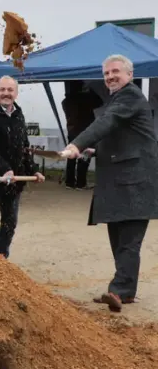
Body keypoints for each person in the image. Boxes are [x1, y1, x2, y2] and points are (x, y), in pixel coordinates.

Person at [61, 54, 158, 312]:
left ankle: (120, 290)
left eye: (115, 71)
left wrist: (77, 144)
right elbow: (120, 135)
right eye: (106, 74)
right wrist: (94, 150)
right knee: (118, 237)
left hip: (136, 182)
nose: (110, 77)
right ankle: (124, 290)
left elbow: (107, 122)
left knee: (128, 241)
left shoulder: (130, 96)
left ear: (129, 74)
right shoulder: (119, 98)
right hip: (122, 181)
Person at [0, 75, 45, 258]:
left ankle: (0, 259)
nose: (6, 93)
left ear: (16, 92)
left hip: (13, 182)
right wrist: (4, 168)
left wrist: (33, 169)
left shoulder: (18, 114)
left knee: (9, 223)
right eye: (2, 90)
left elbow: (24, 146)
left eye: (10, 90)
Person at [61, 80, 103, 190]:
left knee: (71, 156)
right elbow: (100, 101)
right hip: (85, 131)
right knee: (84, 156)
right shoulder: (85, 99)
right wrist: (90, 91)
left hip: (72, 130)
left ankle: (69, 182)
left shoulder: (66, 101)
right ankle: (81, 183)